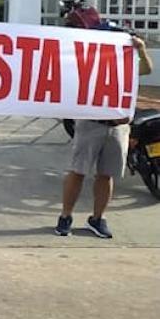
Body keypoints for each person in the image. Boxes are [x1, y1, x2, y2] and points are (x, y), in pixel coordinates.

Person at [58, 32, 152, 238]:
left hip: (118, 126)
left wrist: (141, 49)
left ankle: (98, 218)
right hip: (91, 123)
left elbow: (146, 69)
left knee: (106, 174)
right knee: (78, 171)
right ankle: (65, 216)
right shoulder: (89, 64)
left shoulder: (127, 64)